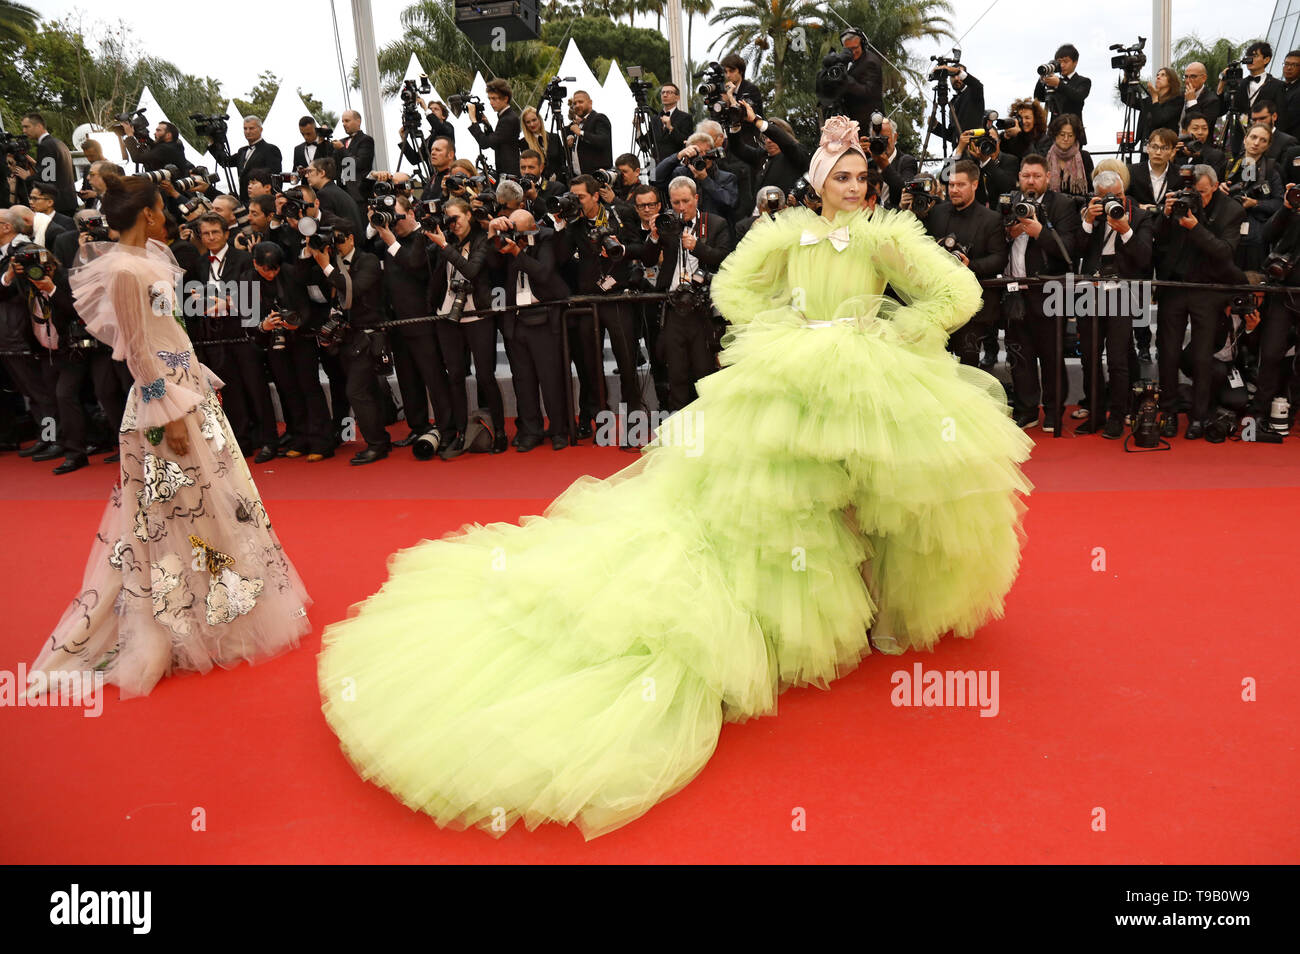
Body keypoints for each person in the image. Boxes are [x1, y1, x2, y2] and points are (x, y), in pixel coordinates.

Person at [315, 115, 1033, 840]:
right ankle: (820, 619)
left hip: (869, 376)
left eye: (862, 179)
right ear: (818, 181)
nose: (854, 188)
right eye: (841, 177)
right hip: (791, 377)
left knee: (873, 491)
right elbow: (732, 288)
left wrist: (885, 328)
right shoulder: (784, 233)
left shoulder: (888, 236)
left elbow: (956, 296)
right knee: (795, 499)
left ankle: (873, 611)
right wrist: (787, 328)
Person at [26, 171, 311, 699]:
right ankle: (177, 623)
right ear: (149, 213)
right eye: (162, 206)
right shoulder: (126, 272)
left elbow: (170, 329)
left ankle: (218, 607)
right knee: (171, 513)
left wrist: (196, 385)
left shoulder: (152, 259)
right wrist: (169, 414)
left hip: (187, 387)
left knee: (212, 505)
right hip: (163, 405)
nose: (169, 213)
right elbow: (137, 349)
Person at [1043, 114, 1093, 197]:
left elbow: (1091, 188)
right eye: (1062, 134)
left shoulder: (1084, 157)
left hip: (1078, 206)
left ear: (1076, 137)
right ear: (1055, 134)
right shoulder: (1045, 156)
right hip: (1051, 207)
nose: (1066, 139)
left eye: (1070, 135)